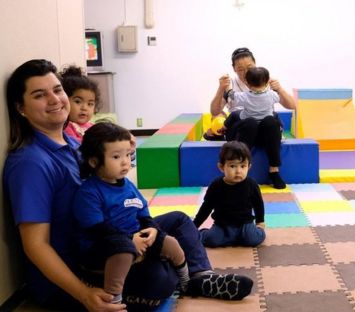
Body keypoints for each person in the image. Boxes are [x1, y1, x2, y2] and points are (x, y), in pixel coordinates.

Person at [4, 59, 253, 312]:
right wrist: (84, 294)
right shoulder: (30, 163)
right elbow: (35, 245)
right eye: (39, 95)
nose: (54, 99)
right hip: (83, 264)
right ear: (21, 108)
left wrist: (121, 158)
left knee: (178, 220)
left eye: (57, 90)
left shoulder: (71, 140)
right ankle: (176, 276)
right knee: (159, 279)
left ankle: (200, 277)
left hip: (113, 233)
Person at [73, 122, 190, 304]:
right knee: (123, 251)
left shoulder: (127, 185)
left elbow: (143, 214)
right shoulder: (89, 192)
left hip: (133, 237)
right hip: (101, 248)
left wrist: (151, 229)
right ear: (94, 161)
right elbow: (97, 229)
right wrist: (129, 240)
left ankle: (186, 282)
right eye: (116, 156)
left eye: (128, 154)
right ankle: (113, 300)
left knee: (170, 242)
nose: (125, 161)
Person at [207, 47, 297, 189]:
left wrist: (279, 89)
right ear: (234, 69)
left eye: (249, 67)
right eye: (240, 69)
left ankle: (274, 171)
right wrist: (221, 89)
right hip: (240, 132)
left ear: (255, 64)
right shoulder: (230, 84)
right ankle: (241, 171)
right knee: (248, 122)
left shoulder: (265, 80)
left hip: (264, 131)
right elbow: (214, 111)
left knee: (271, 121)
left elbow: (292, 105)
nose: (245, 72)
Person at [193, 141, 266, 247]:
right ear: (221, 167)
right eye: (232, 166)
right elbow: (206, 207)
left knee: (253, 239)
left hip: (245, 224)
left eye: (242, 166)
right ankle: (208, 234)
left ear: (249, 167)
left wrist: (260, 222)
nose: (238, 171)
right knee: (212, 240)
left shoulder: (251, 184)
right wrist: (194, 226)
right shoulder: (216, 185)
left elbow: (258, 204)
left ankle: (239, 237)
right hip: (222, 225)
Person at [222, 66, 280, 133]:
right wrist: (275, 88)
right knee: (275, 115)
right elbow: (277, 96)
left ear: (247, 83)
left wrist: (228, 87)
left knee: (234, 114)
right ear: (267, 83)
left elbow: (231, 95)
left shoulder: (244, 96)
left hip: (248, 121)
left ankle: (224, 128)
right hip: (266, 120)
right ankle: (280, 129)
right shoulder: (272, 95)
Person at [60, 65, 99, 143]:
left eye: (90, 104)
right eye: (78, 101)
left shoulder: (92, 127)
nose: (84, 108)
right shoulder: (66, 128)